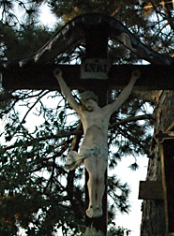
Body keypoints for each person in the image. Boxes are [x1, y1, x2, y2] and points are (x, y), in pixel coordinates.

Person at [53, 68, 141, 218]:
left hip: (101, 148)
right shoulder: (83, 113)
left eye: (88, 101)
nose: (86, 105)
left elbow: (122, 98)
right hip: (88, 148)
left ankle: (98, 204)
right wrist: (60, 78)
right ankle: (91, 204)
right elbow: (68, 96)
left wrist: (133, 80)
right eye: (85, 103)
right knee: (93, 176)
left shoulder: (106, 112)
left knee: (100, 177)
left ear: (93, 99)